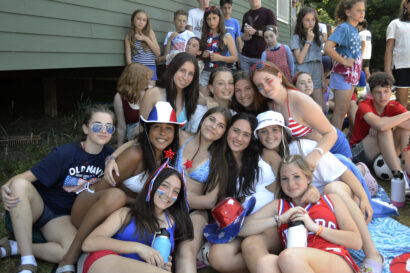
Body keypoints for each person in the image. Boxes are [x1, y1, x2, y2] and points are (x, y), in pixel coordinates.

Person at [250, 110, 385, 273]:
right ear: (257, 135)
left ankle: (373, 254)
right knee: (268, 261)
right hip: (301, 216)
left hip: (330, 195)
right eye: (263, 131)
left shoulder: (303, 147)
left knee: (333, 189)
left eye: (274, 130)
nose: (270, 136)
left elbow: (343, 172)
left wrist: (363, 196)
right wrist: (280, 219)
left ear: (283, 131)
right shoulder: (262, 161)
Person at [0, 105, 115, 273]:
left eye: (109, 127)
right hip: (40, 206)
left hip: (62, 218)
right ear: (85, 128)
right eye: (97, 125)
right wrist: (5, 186)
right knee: (19, 185)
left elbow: (130, 147)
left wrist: (113, 158)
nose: (103, 130)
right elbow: (26, 177)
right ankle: (27, 261)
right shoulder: (65, 153)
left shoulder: (110, 156)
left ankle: (14, 246)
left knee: (70, 253)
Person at [206, 113, 319, 273]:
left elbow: (291, 178)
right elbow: (224, 203)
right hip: (246, 224)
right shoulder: (223, 164)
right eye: (236, 131)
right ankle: (273, 265)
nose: (239, 138)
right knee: (218, 256)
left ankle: (267, 262)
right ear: (228, 131)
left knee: (251, 244)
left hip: (274, 222)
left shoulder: (266, 155)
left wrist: (311, 189)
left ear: (252, 137)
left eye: (245, 134)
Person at [240, 155, 361, 273]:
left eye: (296, 176)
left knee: (289, 256)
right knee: (265, 262)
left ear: (308, 178)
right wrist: (280, 219)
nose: (291, 184)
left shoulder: (330, 200)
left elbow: (356, 242)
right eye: (284, 179)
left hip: (333, 258)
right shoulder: (280, 206)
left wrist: (316, 228)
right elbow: (242, 228)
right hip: (294, 265)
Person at [80, 166, 193, 273]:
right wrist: (140, 248)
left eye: (175, 191)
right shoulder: (126, 214)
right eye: (165, 185)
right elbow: (89, 243)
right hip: (105, 261)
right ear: (153, 185)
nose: (169, 194)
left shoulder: (174, 223)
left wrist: (164, 267)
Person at [249, 60, 338, 171]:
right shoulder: (270, 106)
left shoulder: (299, 101)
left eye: (268, 80)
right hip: (303, 156)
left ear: (279, 76)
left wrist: (315, 155)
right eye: (260, 86)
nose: (266, 87)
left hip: (328, 150)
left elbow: (331, 133)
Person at [175, 107, 232, 273]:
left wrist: (173, 197)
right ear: (203, 119)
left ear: (223, 133)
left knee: (185, 250)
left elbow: (209, 201)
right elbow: (142, 139)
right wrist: (113, 157)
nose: (214, 126)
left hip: (195, 211)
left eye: (221, 126)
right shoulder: (180, 137)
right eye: (212, 119)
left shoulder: (218, 159)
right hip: (164, 204)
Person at [350, 72, 410, 186]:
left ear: (391, 92)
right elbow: (381, 126)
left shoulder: (393, 106)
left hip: (384, 149)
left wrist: (387, 121)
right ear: (371, 93)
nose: (383, 97)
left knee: (404, 129)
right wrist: (406, 115)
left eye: (386, 91)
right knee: (384, 129)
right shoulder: (365, 105)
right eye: (378, 92)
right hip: (360, 153)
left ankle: (407, 167)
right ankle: (399, 176)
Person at [324, 0, 365, 130]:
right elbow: (328, 47)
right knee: (340, 112)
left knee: (344, 110)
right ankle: (334, 143)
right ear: (348, 12)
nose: (362, 13)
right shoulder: (344, 28)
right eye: (358, 10)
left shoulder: (354, 29)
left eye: (363, 10)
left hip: (352, 75)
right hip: (344, 74)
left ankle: (338, 139)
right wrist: (344, 61)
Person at [140, 52, 200, 130]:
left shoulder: (191, 95)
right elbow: (142, 130)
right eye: (182, 70)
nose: (185, 77)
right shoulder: (152, 94)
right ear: (173, 69)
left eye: (191, 74)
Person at [291, 7, 325, 111]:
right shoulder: (295, 37)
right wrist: (308, 41)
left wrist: (323, 78)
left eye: (313, 20)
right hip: (303, 70)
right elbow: (300, 60)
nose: (310, 23)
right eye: (307, 20)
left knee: (321, 107)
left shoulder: (318, 37)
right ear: (301, 21)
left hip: (316, 70)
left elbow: (320, 60)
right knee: (304, 106)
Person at [199, 5, 237, 96]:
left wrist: (220, 57)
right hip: (205, 73)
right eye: (208, 19)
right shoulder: (205, 35)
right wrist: (203, 53)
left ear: (220, 18)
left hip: (220, 74)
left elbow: (235, 58)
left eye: (214, 18)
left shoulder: (227, 36)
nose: (211, 22)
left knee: (219, 101)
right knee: (204, 100)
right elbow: (200, 53)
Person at [114, 63, 153, 146]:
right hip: (133, 134)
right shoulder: (119, 97)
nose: (148, 81)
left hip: (150, 130)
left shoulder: (149, 92)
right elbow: (121, 126)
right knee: (139, 126)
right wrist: (119, 149)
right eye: (145, 79)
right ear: (137, 81)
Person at [188, 67, 236, 133]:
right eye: (221, 83)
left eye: (230, 83)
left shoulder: (235, 115)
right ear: (211, 88)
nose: (227, 87)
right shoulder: (198, 111)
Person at [384, 0, 410, 108]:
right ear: (406, 4)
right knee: (402, 106)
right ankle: (400, 125)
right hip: (401, 67)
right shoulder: (395, 24)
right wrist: (388, 71)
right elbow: (389, 48)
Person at [125, 10, 160, 87]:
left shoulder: (150, 33)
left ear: (147, 22)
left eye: (144, 20)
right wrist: (132, 71)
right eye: (138, 19)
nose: (141, 22)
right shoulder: (129, 36)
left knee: (150, 93)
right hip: (137, 69)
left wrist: (145, 39)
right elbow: (128, 59)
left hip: (150, 68)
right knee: (138, 94)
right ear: (133, 20)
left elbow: (158, 53)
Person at [240, 0, 277, 72]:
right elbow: (242, 36)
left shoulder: (268, 12)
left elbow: (274, 32)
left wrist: (255, 32)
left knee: (259, 81)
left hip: (262, 56)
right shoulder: (246, 15)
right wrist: (244, 36)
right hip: (245, 57)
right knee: (246, 82)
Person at [220, 0, 243, 67]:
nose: (227, 11)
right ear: (221, 8)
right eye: (224, 8)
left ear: (231, 8)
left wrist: (240, 56)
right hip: (220, 56)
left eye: (229, 8)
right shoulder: (218, 21)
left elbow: (238, 40)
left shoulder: (235, 22)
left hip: (232, 56)